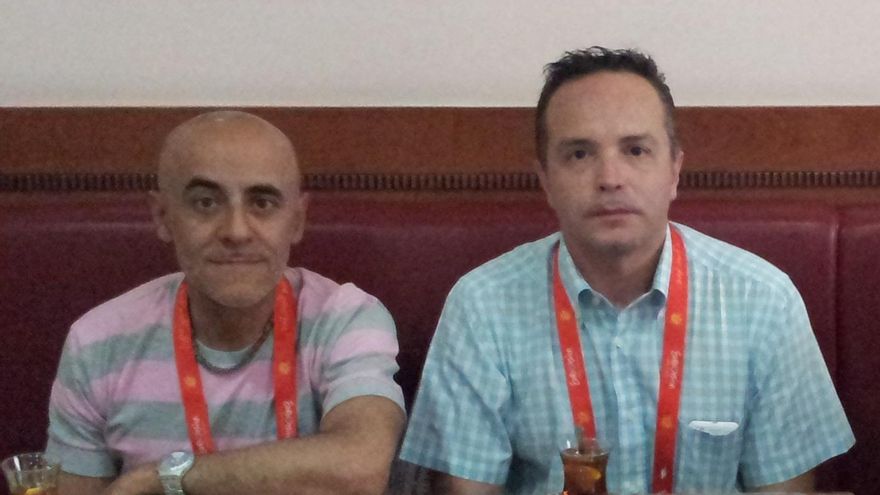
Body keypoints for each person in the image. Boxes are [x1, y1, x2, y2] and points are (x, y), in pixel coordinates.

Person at [399, 47, 854, 494]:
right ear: (546, 180)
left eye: (636, 150)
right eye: (580, 154)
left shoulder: (764, 300)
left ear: (674, 171)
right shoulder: (481, 306)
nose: (610, 178)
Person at [46, 111, 406, 495]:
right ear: (163, 216)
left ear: (297, 220)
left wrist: (162, 478)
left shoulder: (346, 319)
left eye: (262, 203)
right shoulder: (97, 342)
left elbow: (361, 468)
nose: (236, 230)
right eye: (205, 203)